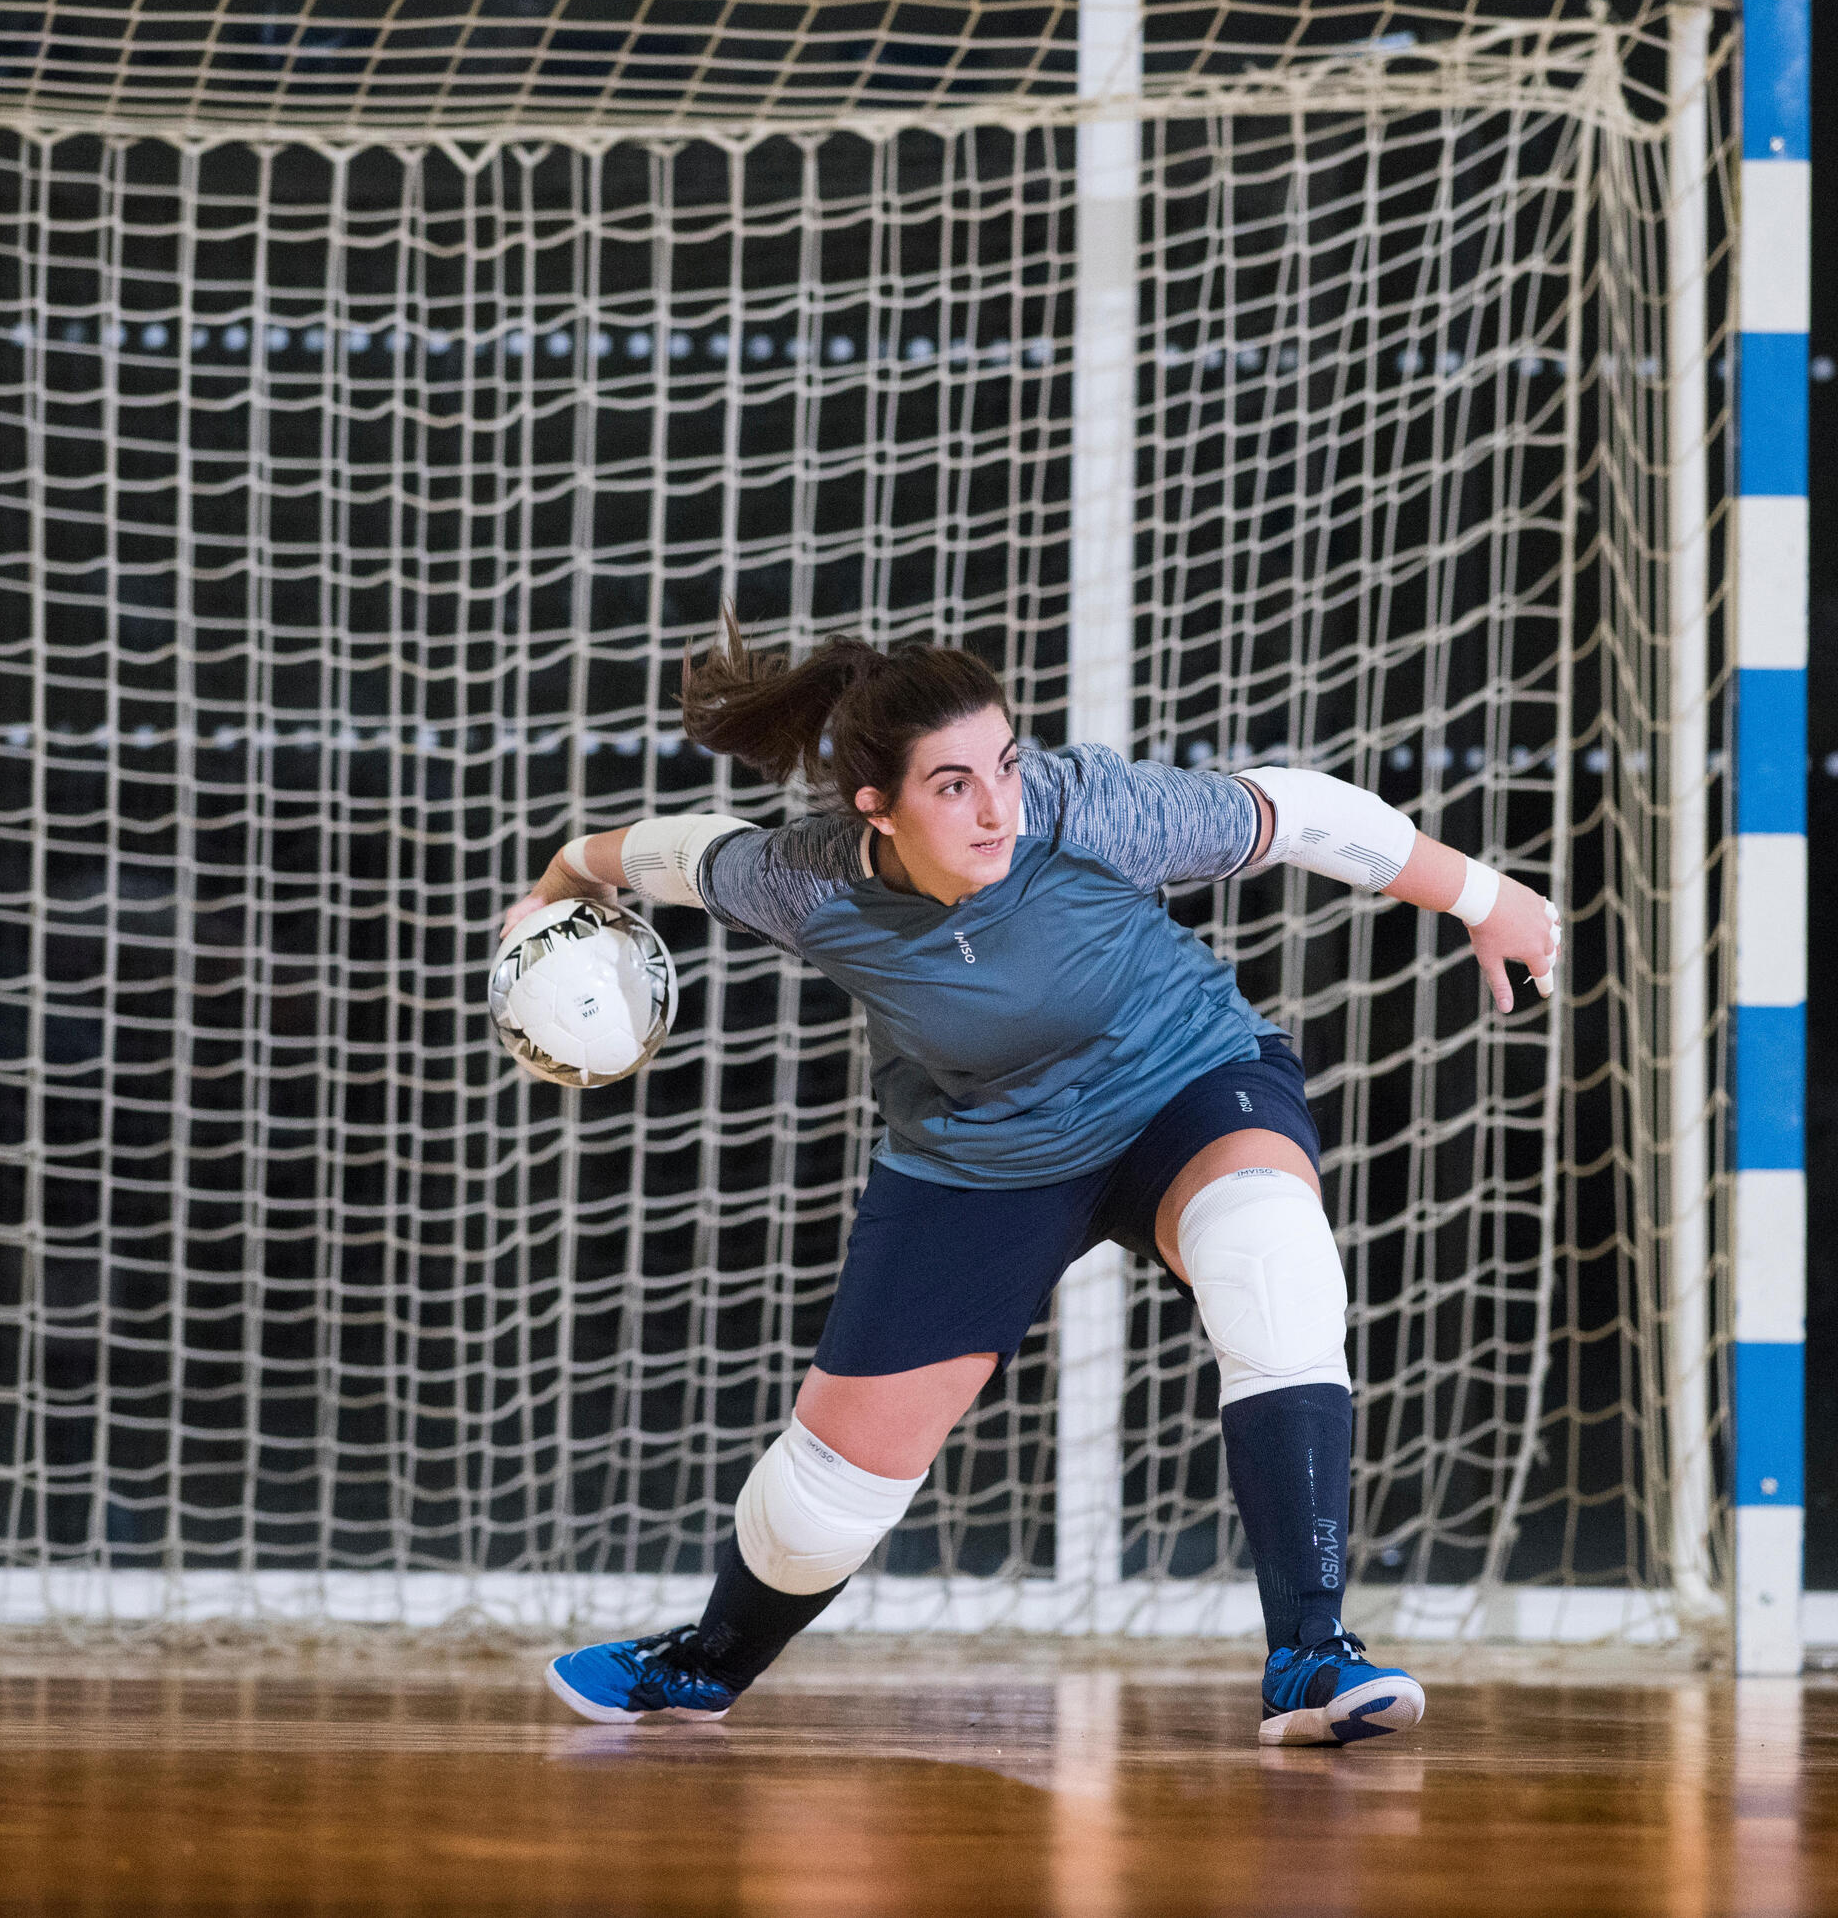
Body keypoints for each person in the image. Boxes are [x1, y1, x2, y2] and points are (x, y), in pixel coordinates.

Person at [501, 621, 1559, 1747]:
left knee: (1273, 1258)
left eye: (1003, 764)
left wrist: (1482, 894)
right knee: (827, 1498)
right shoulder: (804, 883)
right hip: (979, 1155)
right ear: (876, 808)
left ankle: (1310, 1650)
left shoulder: (1084, 811)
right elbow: (670, 851)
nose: (999, 806)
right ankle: (703, 1664)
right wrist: (564, 874)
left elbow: (1296, 812)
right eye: (954, 786)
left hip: (1181, 1083)